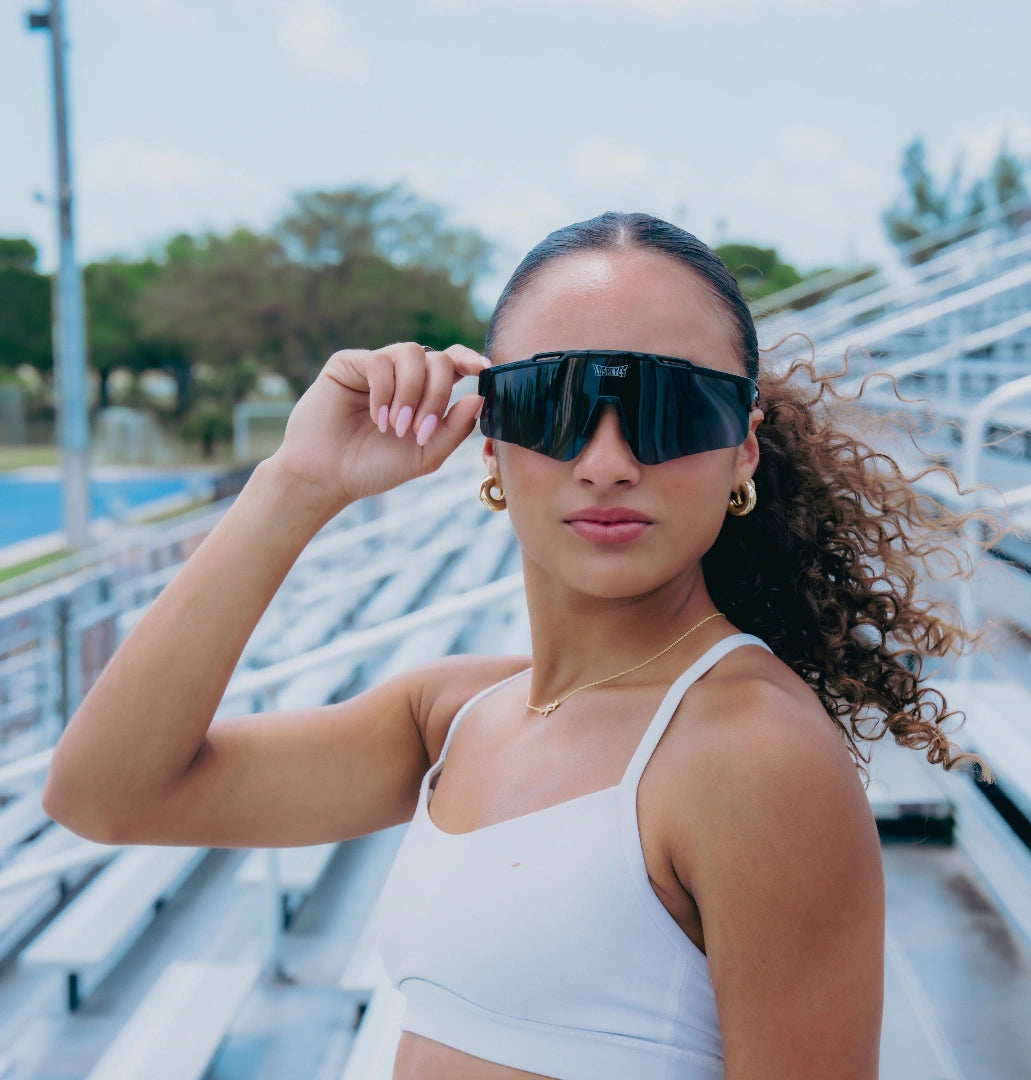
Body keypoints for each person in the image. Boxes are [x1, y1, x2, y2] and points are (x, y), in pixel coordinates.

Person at [43, 212, 975, 1080]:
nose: (607, 459)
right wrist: (296, 484)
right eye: (554, 403)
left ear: (743, 450)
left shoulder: (750, 752)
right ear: (490, 437)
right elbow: (108, 795)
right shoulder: (456, 717)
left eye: (674, 408)